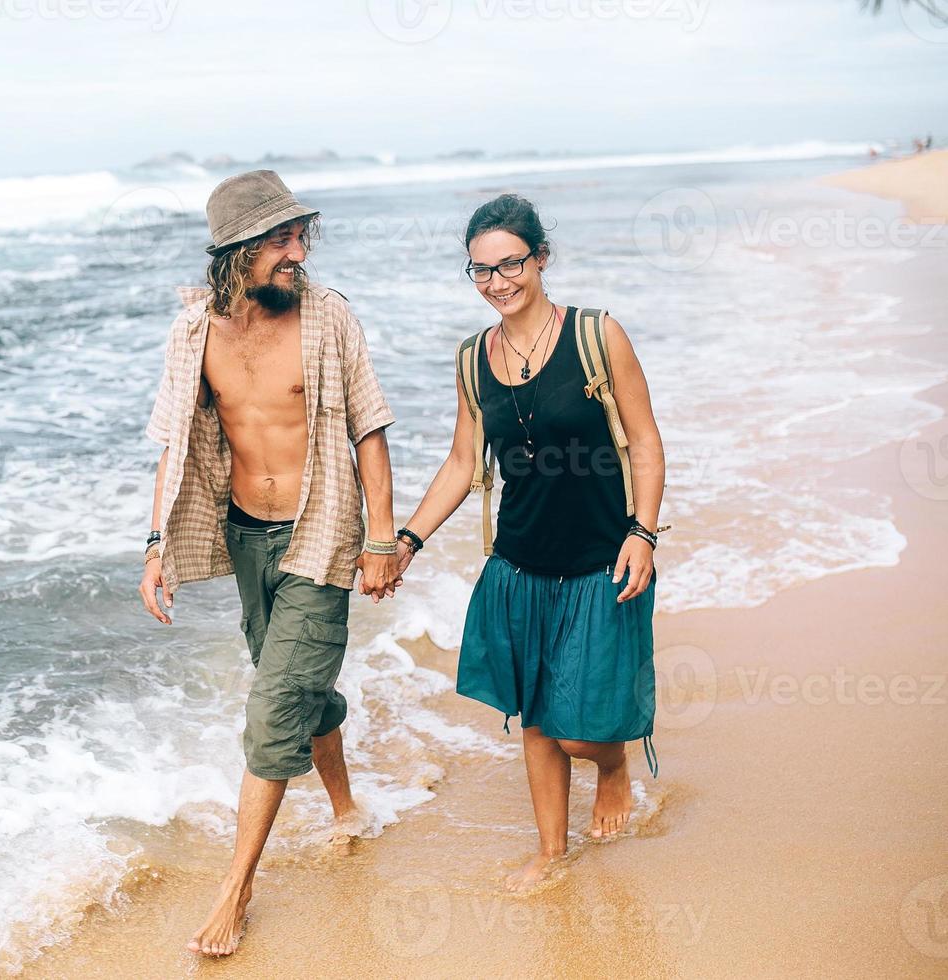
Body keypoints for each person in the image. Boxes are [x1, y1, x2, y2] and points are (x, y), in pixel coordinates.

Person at [138, 170, 399, 956]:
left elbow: (371, 430)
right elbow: (174, 447)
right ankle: (346, 807)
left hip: (323, 532)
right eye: (280, 240)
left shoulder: (329, 318)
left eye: (299, 236)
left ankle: (235, 890)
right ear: (236, 251)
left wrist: (381, 539)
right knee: (297, 687)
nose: (297, 252)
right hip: (248, 535)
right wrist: (156, 546)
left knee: (273, 706)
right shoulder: (194, 334)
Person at [390, 193, 666, 892]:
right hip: (519, 562)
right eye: (481, 271)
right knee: (538, 718)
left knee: (580, 730)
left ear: (540, 258)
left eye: (510, 263)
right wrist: (408, 541)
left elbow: (644, 440)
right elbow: (462, 462)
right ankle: (551, 851)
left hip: (603, 559)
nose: (497, 282)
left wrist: (644, 531)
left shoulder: (597, 336)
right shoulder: (472, 359)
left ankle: (611, 766)